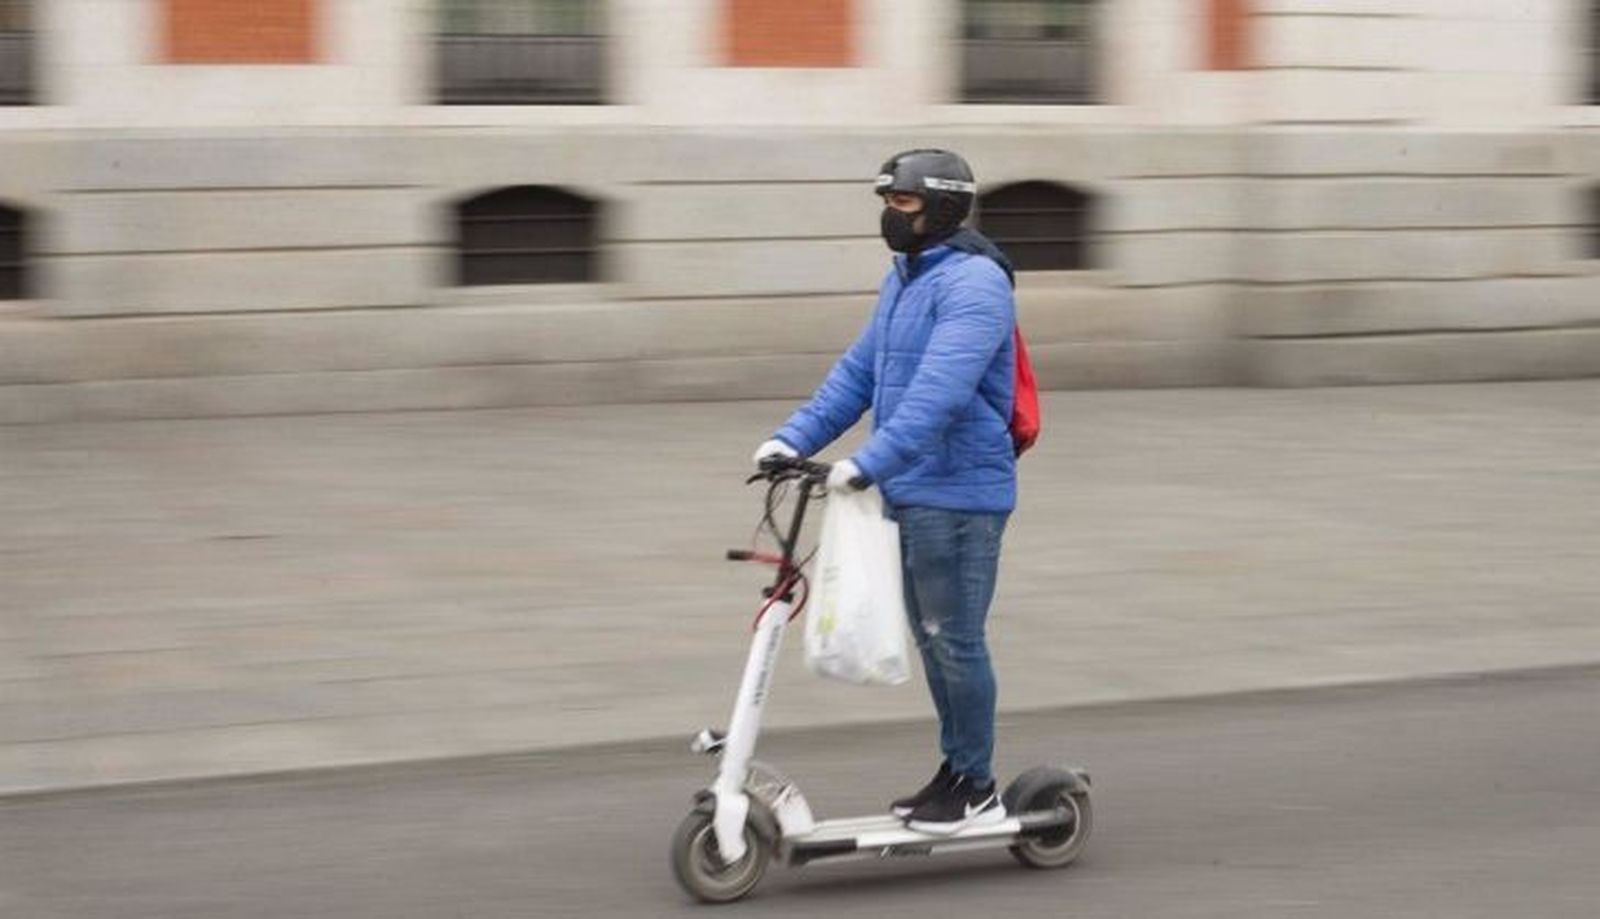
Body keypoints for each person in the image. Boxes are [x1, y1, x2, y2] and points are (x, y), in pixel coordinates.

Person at [752, 148, 1020, 835]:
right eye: (888, 203)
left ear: (944, 207)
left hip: (959, 493)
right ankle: (956, 771)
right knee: (933, 640)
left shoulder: (977, 284)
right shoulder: (905, 276)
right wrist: (794, 438)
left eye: (901, 203)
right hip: (909, 485)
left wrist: (866, 462)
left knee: (954, 638)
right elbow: (860, 371)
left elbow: (940, 393)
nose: (889, 215)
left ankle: (978, 784)